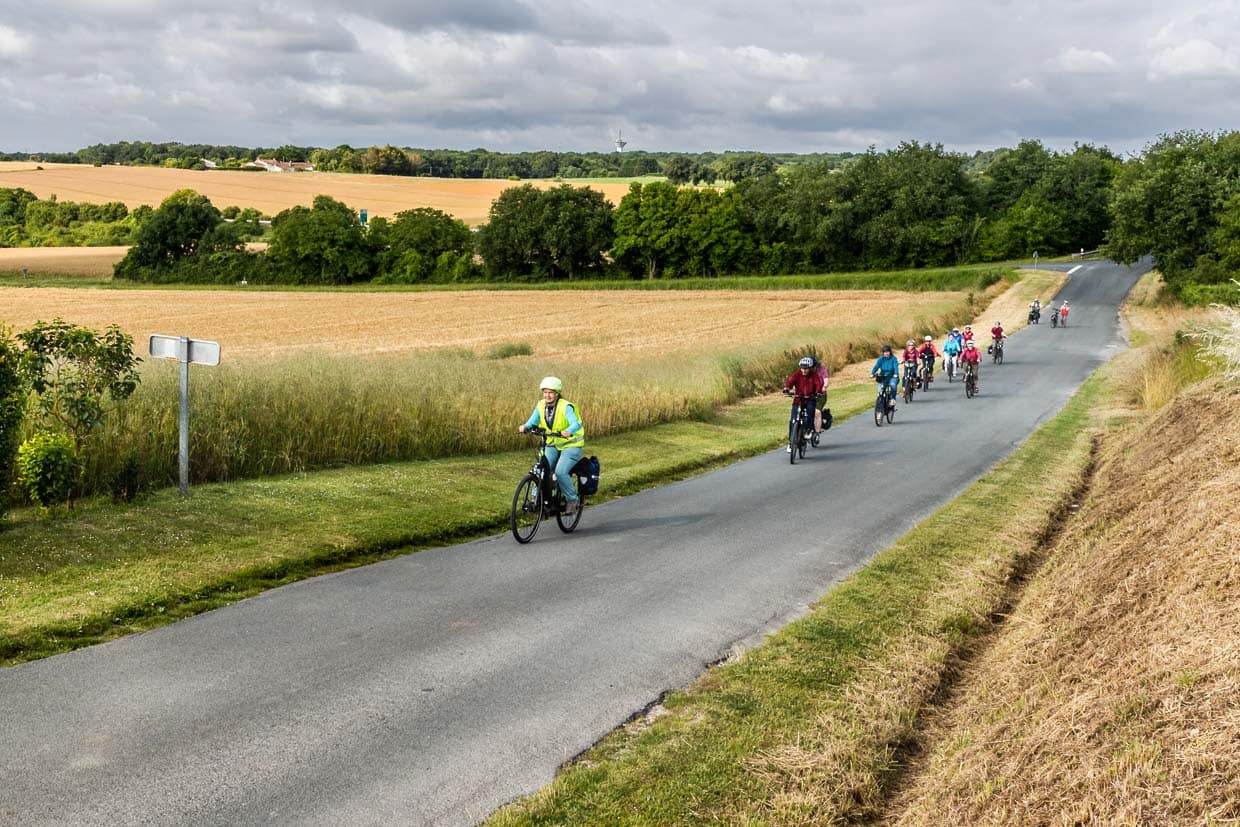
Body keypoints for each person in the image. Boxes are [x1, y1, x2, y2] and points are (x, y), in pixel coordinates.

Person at [518, 376, 585, 514]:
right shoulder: (541, 405)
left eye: (551, 392)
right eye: (545, 392)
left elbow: (576, 423)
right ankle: (537, 500)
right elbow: (533, 421)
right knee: (541, 470)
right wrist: (525, 427)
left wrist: (568, 431)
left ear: (557, 393)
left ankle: (572, 500)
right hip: (552, 443)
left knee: (560, 472)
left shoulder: (566, 406)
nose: (547, 395)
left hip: (570, 445)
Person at [784, 356, 824, 451]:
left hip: (810, 398)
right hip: (798, 399)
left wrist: (818, 392)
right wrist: (787, 388)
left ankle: (808, 430)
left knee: (810, 412)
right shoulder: (797, 374)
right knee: (793, 420)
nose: (804, 370)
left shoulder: (814, 375)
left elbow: (819, 384)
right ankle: (791, 442)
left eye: (806, 368)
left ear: (810, 368)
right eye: (802, 368)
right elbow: (790, 381)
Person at [870, 344, 900, 410]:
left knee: (893, 385)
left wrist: (896, 374)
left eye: (888, 352)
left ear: (890, 352)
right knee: (880, 390)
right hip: (883, 376)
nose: (886, 353)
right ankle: (880, 404)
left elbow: (896, 367)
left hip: (892, 376)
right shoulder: (881, 359)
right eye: (885, 352)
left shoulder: (893, 359)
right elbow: (876, 366)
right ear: (883, 353)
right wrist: (872, 373)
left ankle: (892, 399)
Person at [812, 357, 831, 434]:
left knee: (817, 412)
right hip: (809, 394)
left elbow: (826, 379)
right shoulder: (806, 371)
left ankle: (817, 431)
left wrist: (824, 387)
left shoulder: (822, 370)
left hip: (820, 395)